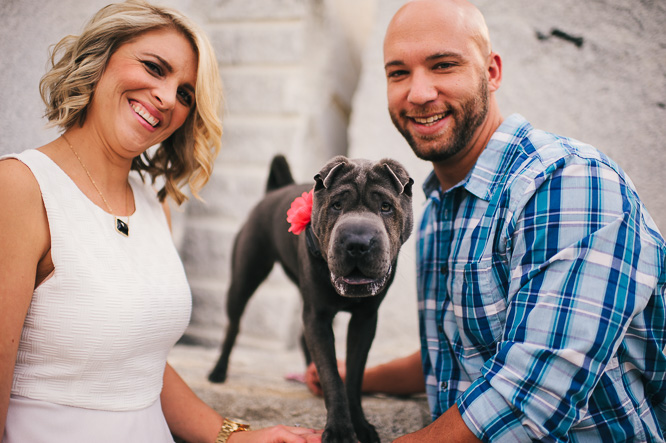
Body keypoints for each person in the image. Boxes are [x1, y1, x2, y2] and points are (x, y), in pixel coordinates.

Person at [305, 0, 666, 441]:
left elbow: (527, 400)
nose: (418, 93)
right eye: (398, 73)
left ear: (491, 72)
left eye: (443, 65)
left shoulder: (566, 183)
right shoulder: (438, 206)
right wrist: (355, 376)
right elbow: (463, 350)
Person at [0, 2, 322, 442]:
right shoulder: (20, 187)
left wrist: (233, 435)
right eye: (154, 68)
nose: (168, 98)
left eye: (186, 93)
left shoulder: (154, 204)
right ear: (100, 58)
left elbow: (140, 363)